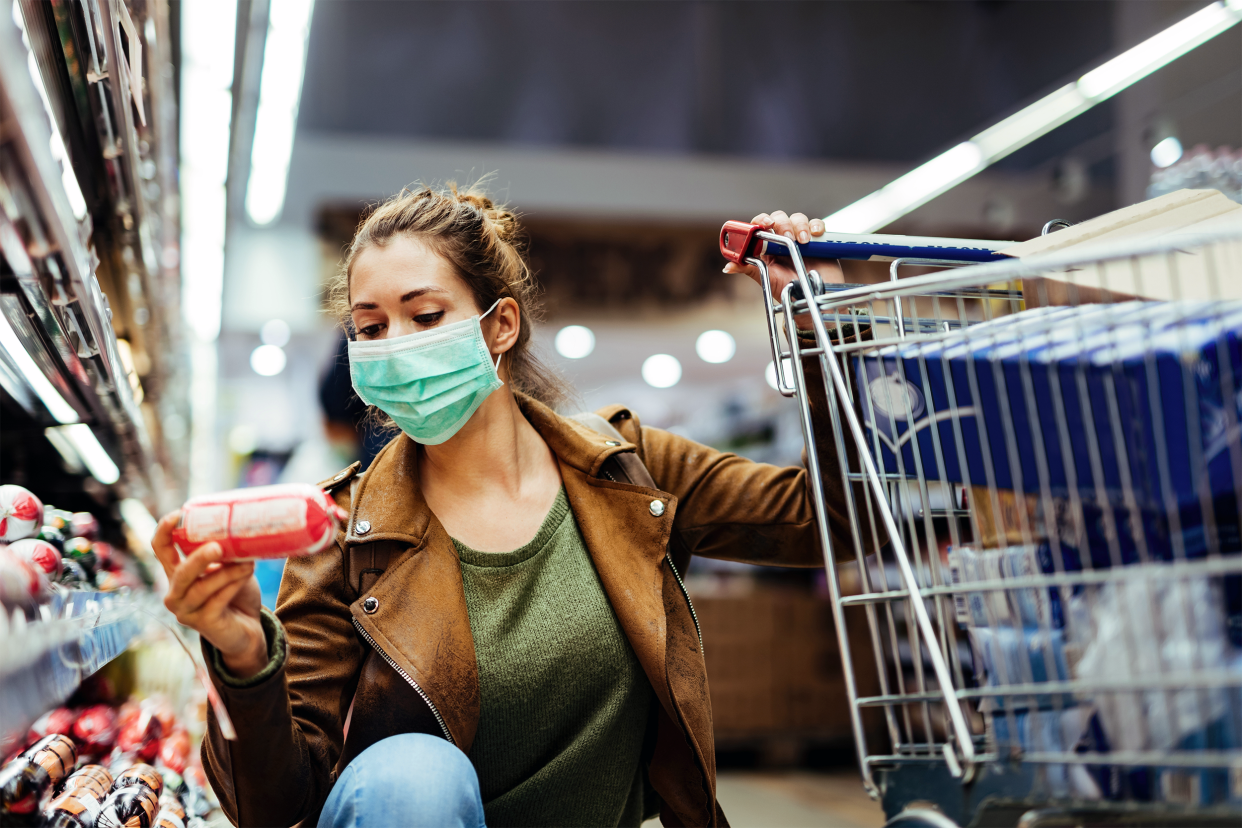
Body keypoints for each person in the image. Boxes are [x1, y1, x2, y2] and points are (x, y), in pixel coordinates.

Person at [151, 185, 874, 828]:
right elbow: (277, 807)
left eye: (425, 315)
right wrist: (244, 654)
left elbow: (836, 517)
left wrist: (823, 328)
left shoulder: (627, 472)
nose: (394, 347)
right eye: (370, 329)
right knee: (414, 776)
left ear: (500, 327)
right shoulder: (343, 533)